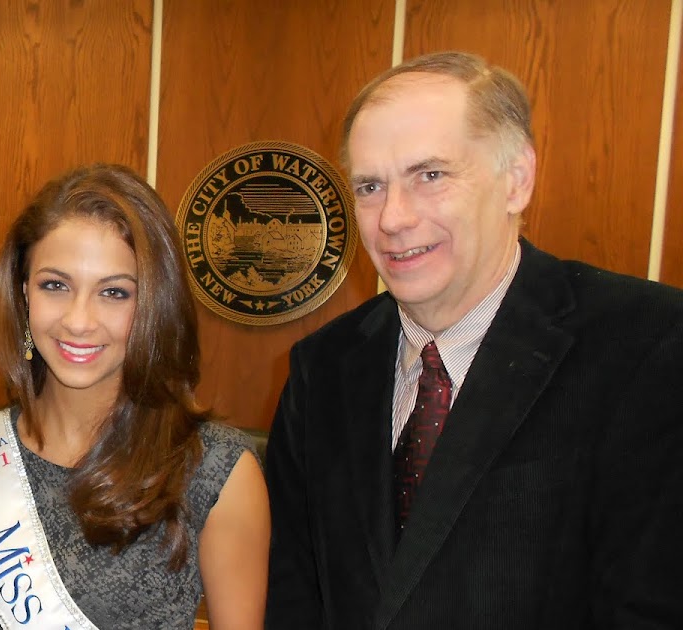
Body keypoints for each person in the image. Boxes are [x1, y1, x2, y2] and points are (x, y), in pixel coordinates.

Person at [265, 50, 683, 628]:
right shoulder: (322, 369)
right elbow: (294, 596)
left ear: (516, 180)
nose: (393, 218)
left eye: (430, 176)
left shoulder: (648, 345)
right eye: (369, 186)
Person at [0, 164, 270, 629]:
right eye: (55, 285)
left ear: (155, 304)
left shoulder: (215, 470)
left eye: (114, 293)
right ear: (23, 294)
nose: (79, 320)